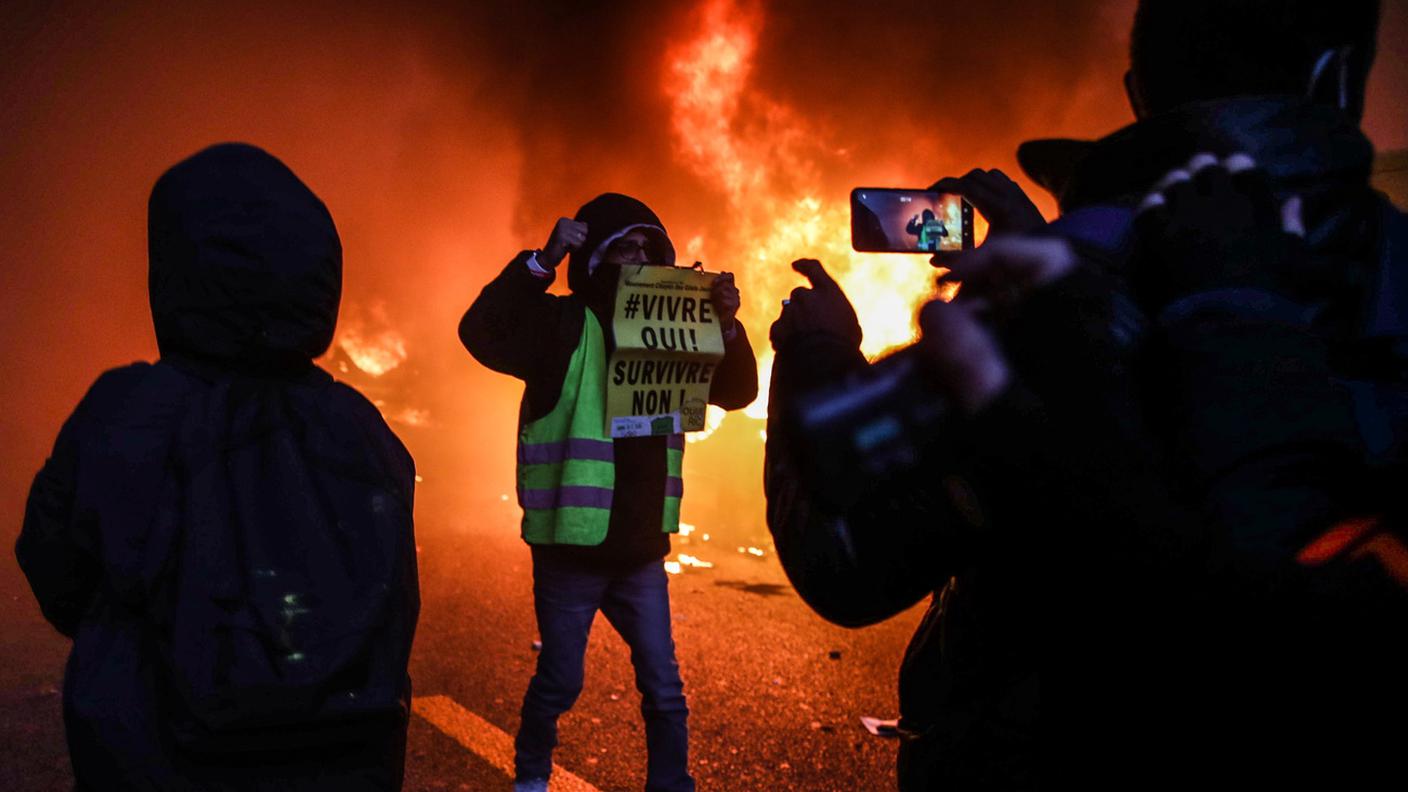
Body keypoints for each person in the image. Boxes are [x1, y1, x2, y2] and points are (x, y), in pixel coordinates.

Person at [767, 0, 1406, 787]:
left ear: (1139, 93)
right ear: (1338, 79)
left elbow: (846, 560)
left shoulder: (1053, 309)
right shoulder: (1389, 275)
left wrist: (817, 349)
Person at [15, 143, 420, 791]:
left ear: (173, 270)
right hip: (343, 760)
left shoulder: (130, 409)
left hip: (160, 753)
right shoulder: (360, 426)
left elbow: (57, 571)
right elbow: (394, 600)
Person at [458, 193, 757, 792]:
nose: (640, 256)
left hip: (642, 550)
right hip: (572, 549)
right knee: (561, 680)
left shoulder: (681, 324)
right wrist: (541, 263)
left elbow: (738, 392)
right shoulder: (562, 324)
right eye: (626, 246)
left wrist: (725, 324)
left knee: (665, 690)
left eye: (649, 247)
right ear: (593, 257)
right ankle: (532, 776)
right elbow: (482, 331)